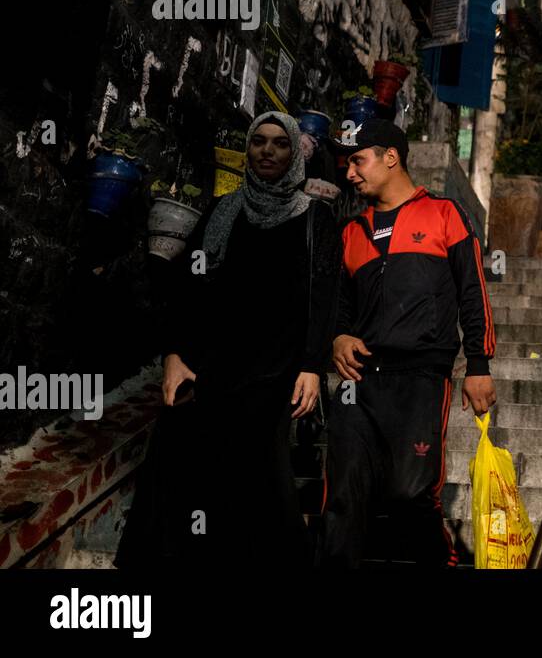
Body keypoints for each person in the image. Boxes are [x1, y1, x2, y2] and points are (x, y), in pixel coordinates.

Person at [116, 111, 338, 568]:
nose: (268, 151)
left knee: (260, 482)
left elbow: (323, 298)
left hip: (273, 375)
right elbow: (187, 289)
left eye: (280, 143)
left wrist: (312, 366)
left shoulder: (315, 221)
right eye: (259, 142)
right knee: (181, 469)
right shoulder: (223, 211)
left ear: (295, 153)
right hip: (211, 368)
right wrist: (174, 353)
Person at [321, 119, 497, 568]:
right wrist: (338, 337)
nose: (350, 174)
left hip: (420, 379)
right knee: (342, 496)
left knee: (410, 491)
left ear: (391, 157)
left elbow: (473, 291)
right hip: (356, 382)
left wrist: (478, 365)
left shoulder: (445, 214)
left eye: (358, 161)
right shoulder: (350, 230)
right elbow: (338, 307)